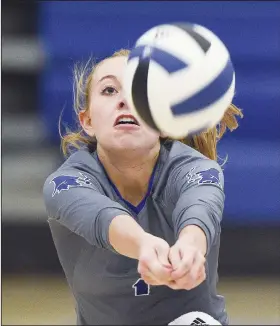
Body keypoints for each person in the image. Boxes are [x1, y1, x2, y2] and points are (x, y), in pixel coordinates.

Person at [43, 49, 243, 325]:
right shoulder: (64, 184)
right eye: (110, 90)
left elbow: (200, 207)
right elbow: (102, 216)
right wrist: (144, 245)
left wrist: (190, 247)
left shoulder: (195, 169)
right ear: (87, 121)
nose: (125, 100)